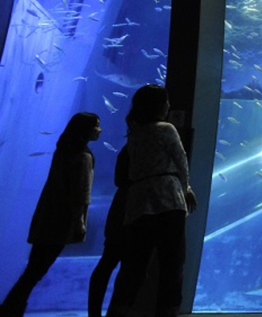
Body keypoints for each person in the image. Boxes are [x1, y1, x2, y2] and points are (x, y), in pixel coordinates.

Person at [107, 85, 197, 317]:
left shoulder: (134, 131)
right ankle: (167, 313)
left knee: (134, 266)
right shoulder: (166, 129)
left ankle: (118, 311)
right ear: (160, 106)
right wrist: (186, 188)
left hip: (138, 203)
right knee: (172, 264)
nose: (169, 105)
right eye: (166, 101)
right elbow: (181, 160)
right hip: (167, 199)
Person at [1, 112, 101, 317]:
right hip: (62, 220)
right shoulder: (83, 156)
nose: (100, 130)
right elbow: (82, 193)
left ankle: (12, 308)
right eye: (97, 125)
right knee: (37, 270)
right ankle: (10, 310)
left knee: (33, 269)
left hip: (47, 214)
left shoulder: (63, 151)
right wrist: (80, 221)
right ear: (86, 129)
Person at [88, 146, 130, 317]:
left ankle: (97, 312)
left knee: (108, 262)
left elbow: (119, 180)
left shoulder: (128, 149)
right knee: (116, 264)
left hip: (120, 212)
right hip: (128, 213)